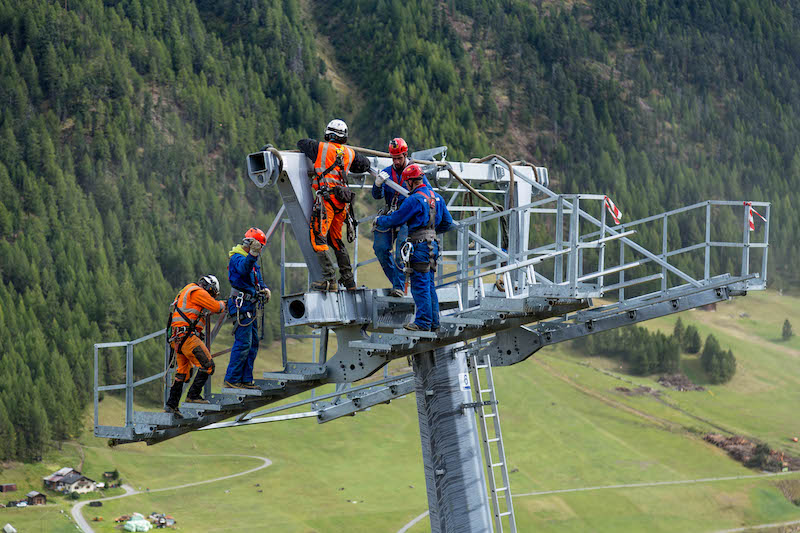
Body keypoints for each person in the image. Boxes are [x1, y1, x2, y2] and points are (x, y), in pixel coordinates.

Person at [375, 164, 454, 331]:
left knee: (419, 284)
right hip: (432, 244)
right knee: (429, 284)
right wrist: (431, 232)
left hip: (419, 247)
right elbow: (447, 223)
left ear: (410, 182)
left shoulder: (414, 200)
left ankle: (423, 322)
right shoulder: (437, 197)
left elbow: (395, 219)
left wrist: (379, 221)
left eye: (406, 183)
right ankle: (434, 322)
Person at [297, 119, 371, 291]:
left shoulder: (320, 148)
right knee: (336, 240)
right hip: (342, 205)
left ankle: (330, 280)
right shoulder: (350, 153)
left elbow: (302, 143)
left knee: (318, 238)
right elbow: (365, 164)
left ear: (328, 134)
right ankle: (349, 281)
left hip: (326, 203)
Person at [371, 137, 431, 297]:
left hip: (407, 217)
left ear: (405, 155)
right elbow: (377, 196)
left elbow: (426, 192)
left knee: (401, 253)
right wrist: (377, 185)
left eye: (399, 158)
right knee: (380, 249)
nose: (396, 161)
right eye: (394, 158)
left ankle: (398, 286)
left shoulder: (415, 172)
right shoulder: (388, 173)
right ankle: (398, 283)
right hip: (392, 214)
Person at [165, 275, 227, 416]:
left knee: (183, 372)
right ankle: (193, 396)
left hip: (177, 338)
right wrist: (227, 303)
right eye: (212, 293)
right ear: (209, 288)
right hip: (187, 338)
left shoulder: (185, 292)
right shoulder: (198, 292)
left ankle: (171, 405)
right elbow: (216, 307)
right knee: (208, 365)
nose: (211, 296)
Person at [224, 227, 271, 389]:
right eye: (259, 246)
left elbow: (255, 278)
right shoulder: (237, 258)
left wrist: (264, 289)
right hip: (241, 305)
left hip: (249, 305)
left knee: (253, 343)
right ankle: (232, 379)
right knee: (244, 342)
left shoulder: (251, 260)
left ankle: (245, 379)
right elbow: (244, 269)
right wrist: (252, 254)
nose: (260, 250)